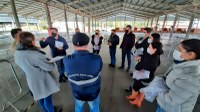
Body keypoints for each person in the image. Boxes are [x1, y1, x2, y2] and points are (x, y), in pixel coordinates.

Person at [15, 32, 60, 112]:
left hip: (31, 80)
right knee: (47, 100)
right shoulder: (34, 54)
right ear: (31, 41)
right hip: (42, 80)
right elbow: (49, 67)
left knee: (40, 98)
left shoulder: (17, 53)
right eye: (33, 40)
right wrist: (51, 62)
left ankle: (45, 111)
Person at [156, 39, 200, 112]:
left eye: (179, 50)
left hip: (172, 109)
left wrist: (157, 89)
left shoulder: (191, 75)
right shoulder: (183, 65)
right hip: (166, 105)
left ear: (191, 55)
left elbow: (172, 100)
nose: (176, 51)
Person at [63, 32, 103, 112]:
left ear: (73, 45)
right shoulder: (97, 58)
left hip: (77, 92)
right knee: (94, 108)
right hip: (93, 92)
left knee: (78, 108)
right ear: (88, 44)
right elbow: (99, 69)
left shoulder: (66, 59)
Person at [126, 39, 163, 108]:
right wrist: (141, 57)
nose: (148, 48)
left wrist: (138, 60)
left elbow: (138, 67)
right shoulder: (153, 55)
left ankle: (133, 96)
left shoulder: (152, 60)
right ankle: (138, 101)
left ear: (155, 49)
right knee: (143, 89)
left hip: (144, 77)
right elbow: (145, 56)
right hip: (148, 77)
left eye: (150, 47)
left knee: (136, 87)